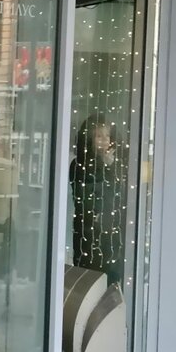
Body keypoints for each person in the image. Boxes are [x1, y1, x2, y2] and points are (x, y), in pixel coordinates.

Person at [71, 113, 127, 286]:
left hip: (112, 235)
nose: (104, 141)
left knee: (111, 282)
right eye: (99, 136)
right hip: (89, 233)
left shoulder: (116, 164)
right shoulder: (79, 164)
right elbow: (88, 197)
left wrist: (110, 166)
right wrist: (105, 167)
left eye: (107, 136)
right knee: (89, 281)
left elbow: (118, 195)